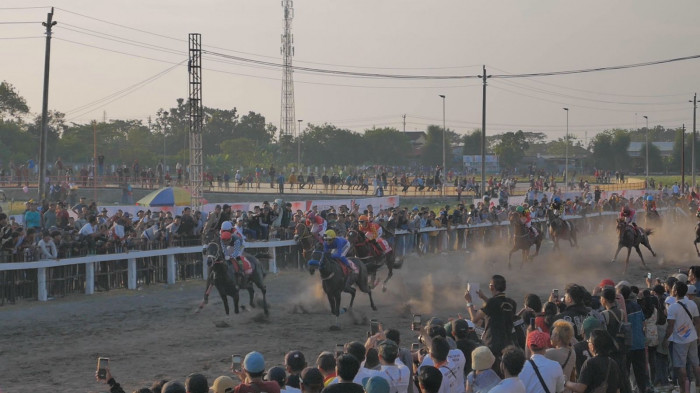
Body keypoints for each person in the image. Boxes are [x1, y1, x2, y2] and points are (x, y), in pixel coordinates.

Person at [464, 274, 517, 368]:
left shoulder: (491, 303)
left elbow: (474, 318)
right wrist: (483, 297)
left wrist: (469, 302)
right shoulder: (511, 303)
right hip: (507, 343)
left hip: (492, 345)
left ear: (492, 287)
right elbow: (498, 307)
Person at [664, 281, 700, 393]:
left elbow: (670, 326)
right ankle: (698, 386)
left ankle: (683, 389)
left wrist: (665, 339)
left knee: (681, 366)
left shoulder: (673, 307)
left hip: (680, 341)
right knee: (695, 363)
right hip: (692, 338)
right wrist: (698, 336)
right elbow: (698, 322)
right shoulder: (692, 303)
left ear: (675, 291)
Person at [544, 320, 576, 387]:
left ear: (558, 338)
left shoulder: (550, 353)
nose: (551, 337)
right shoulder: (572, 352)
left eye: (552, 334)